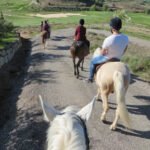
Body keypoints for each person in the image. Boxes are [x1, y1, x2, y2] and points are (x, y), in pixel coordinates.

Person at [87, 17, 129, 83]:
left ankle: (90, 78)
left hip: (107, 59)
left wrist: (103, 52)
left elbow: (102, 53)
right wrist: (119, 54)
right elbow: (125, 49)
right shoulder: (126, 37)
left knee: (92, 62)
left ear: (112, 28)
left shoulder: (108, 39)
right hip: (118, 59)